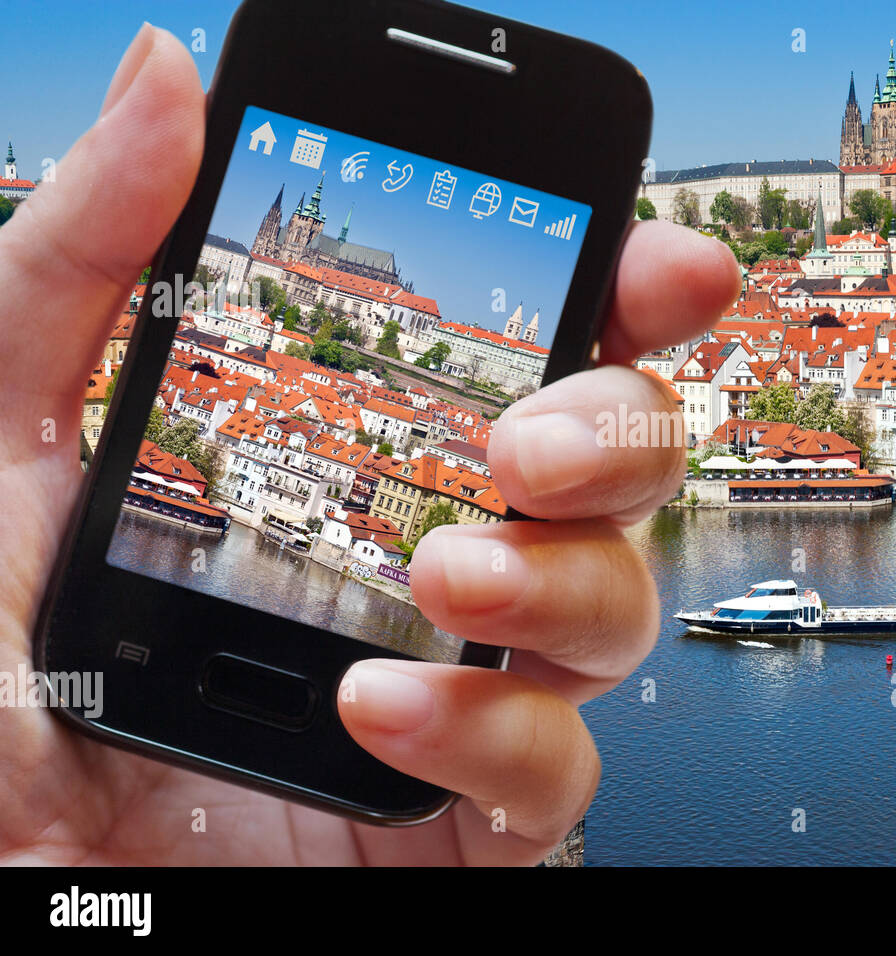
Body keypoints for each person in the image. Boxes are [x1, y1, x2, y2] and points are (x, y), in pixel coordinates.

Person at [0, 25, 738, 865]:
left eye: (302, 228)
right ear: (289, 232)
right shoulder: (280, 249)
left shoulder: (362, 267)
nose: (296, 235)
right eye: (292, 227)